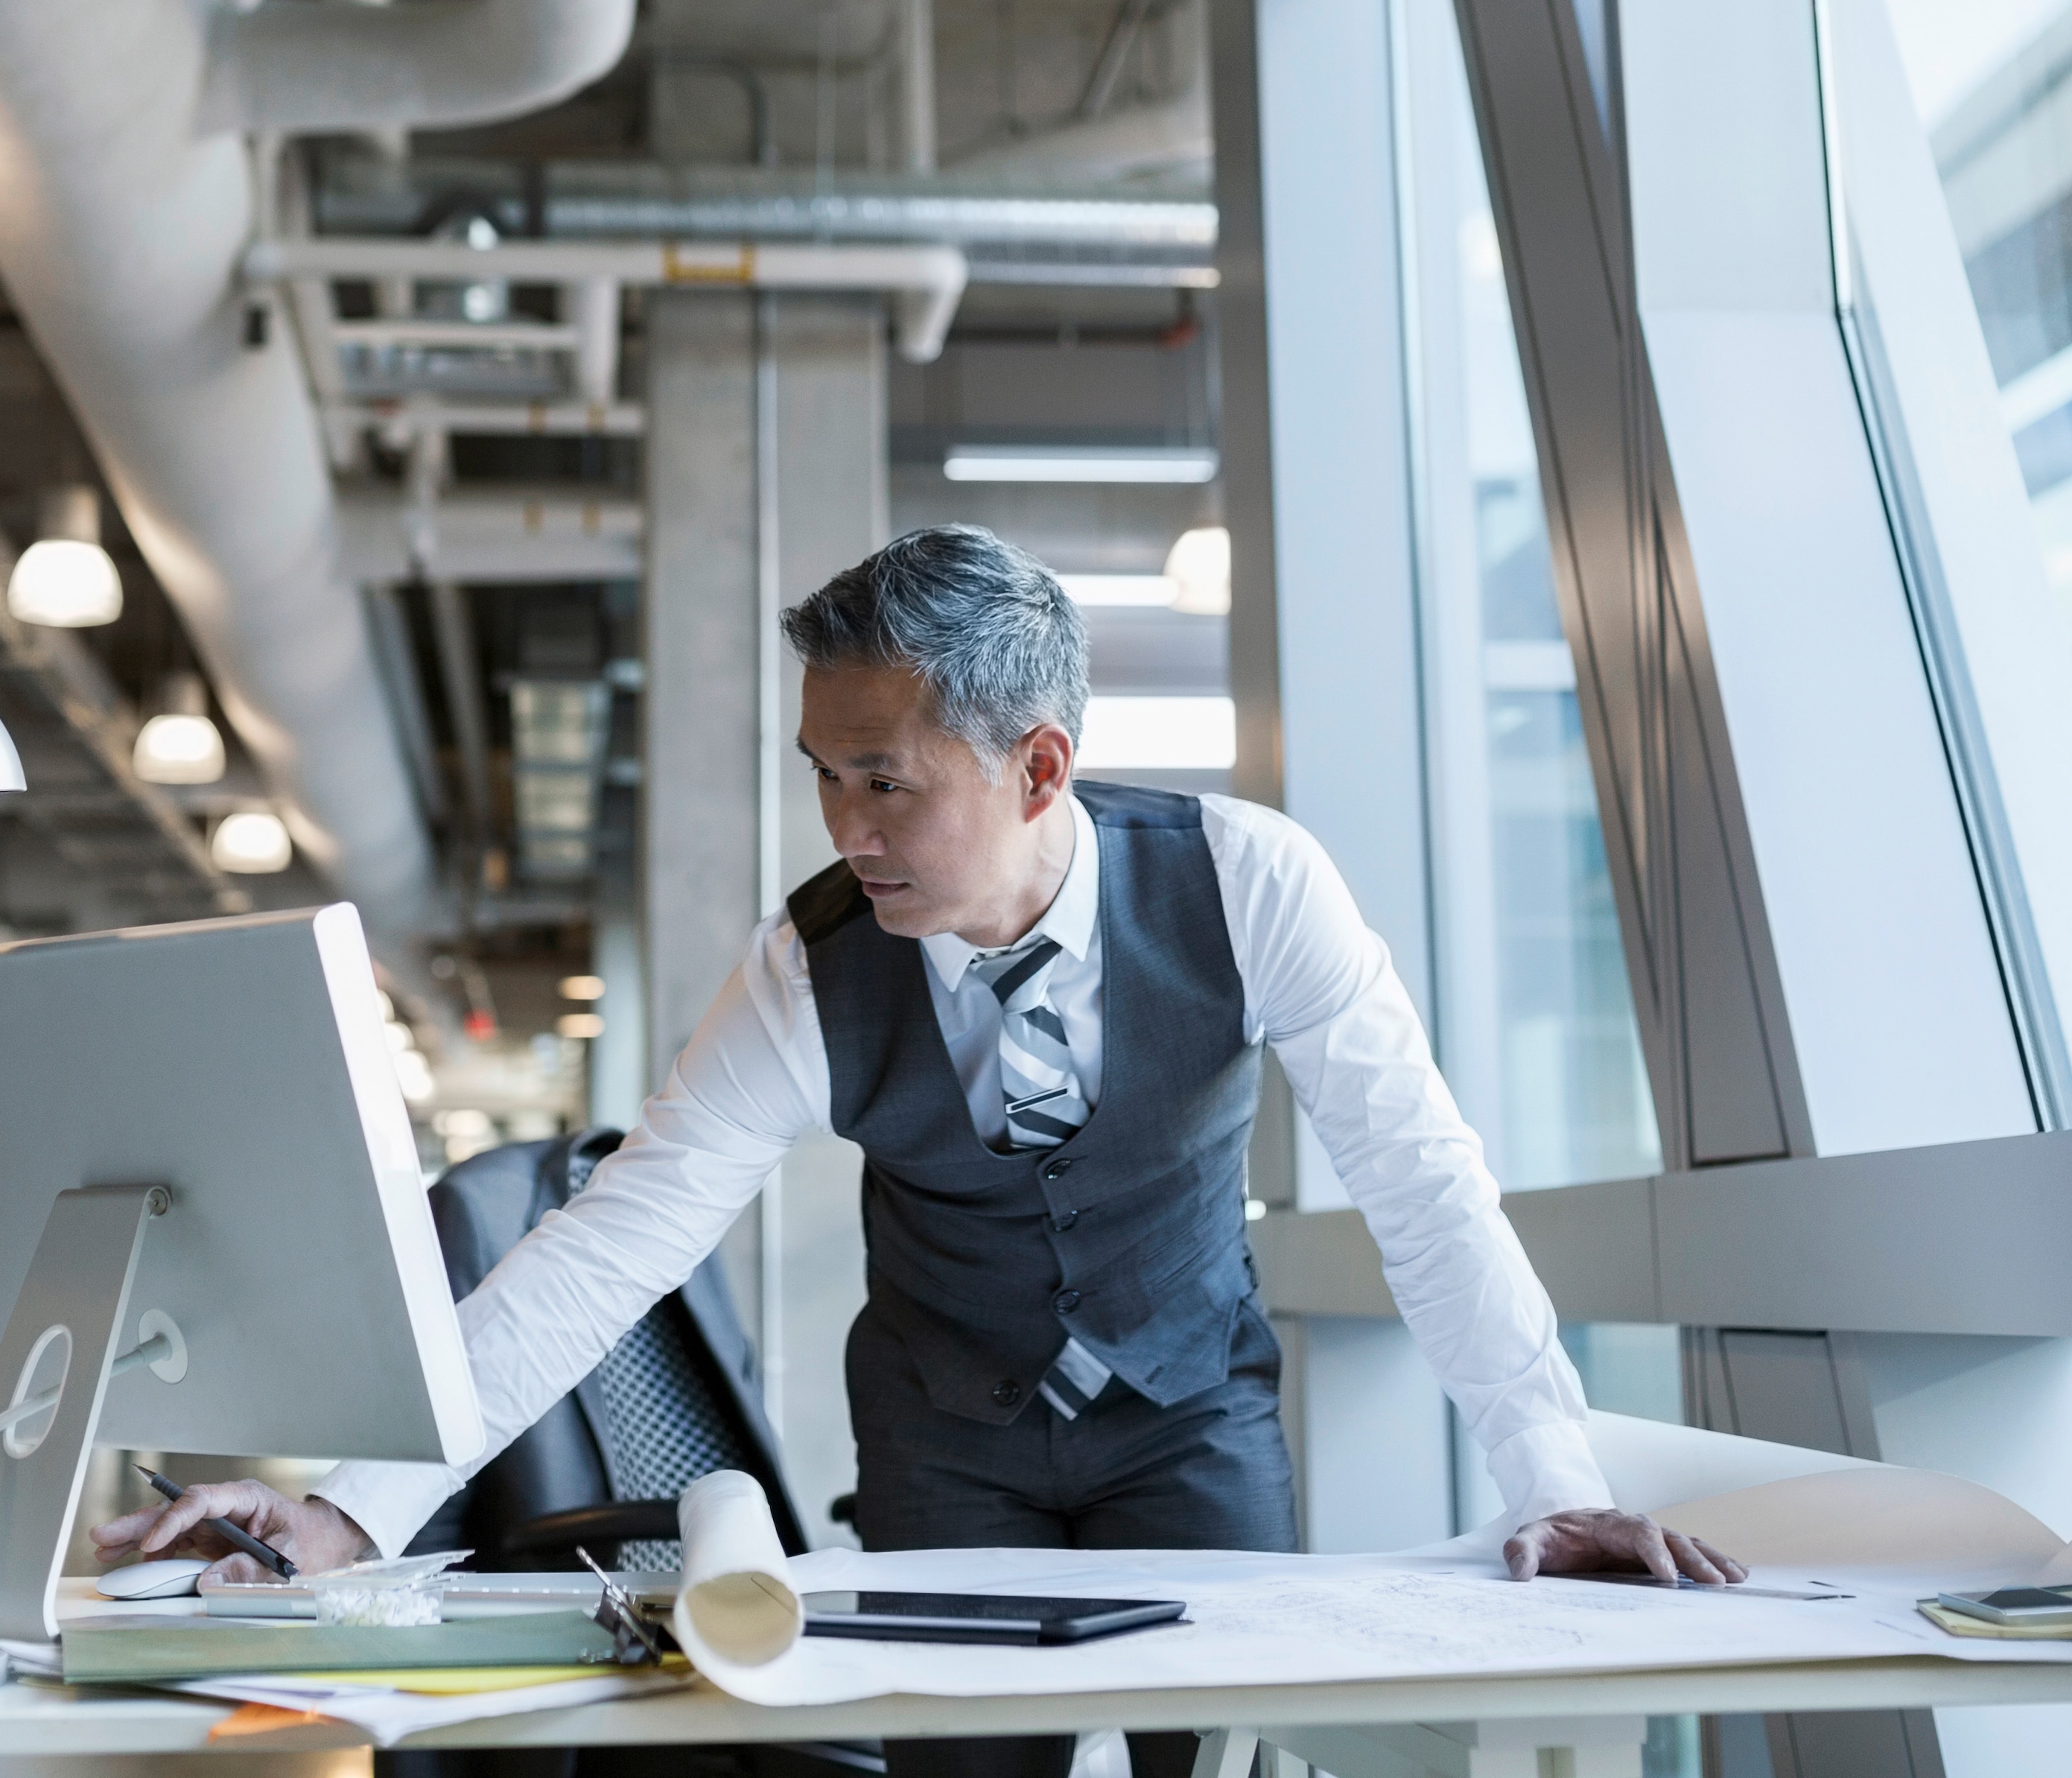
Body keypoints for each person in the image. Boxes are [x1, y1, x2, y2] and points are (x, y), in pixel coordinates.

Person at [101, 525, 1742, 1777]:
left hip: (1190, 1417)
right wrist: (357, 1507)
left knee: (1232, 1753)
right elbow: (614, 1243)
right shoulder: (811, 960)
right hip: (944, 1443)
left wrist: (1557, 1475)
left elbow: (1422, 1178)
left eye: (885, 780)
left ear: (1037, 765)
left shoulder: (1251, 882)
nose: (845, 827)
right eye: (825, 777)